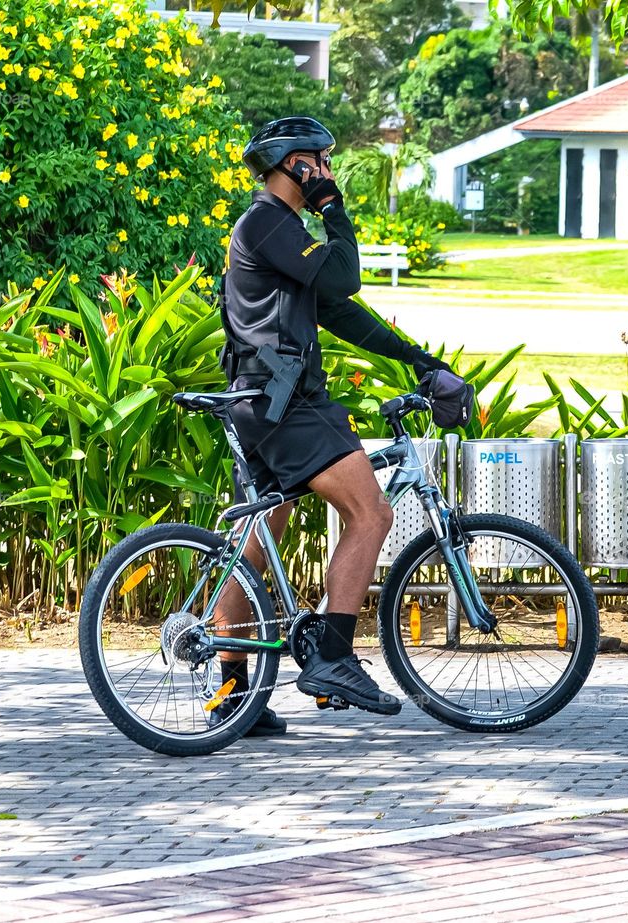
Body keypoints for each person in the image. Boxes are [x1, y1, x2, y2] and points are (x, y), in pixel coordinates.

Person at [212, 117, 452, 737]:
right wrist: (333, 209)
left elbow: (343, 311)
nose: (328, 169)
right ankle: (335, 657)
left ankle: (236, 695)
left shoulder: (280, 234)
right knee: (371, 513)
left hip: (263, 400)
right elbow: (347, 275)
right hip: (287, 400)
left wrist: (423, 363)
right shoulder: (266, 221)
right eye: (320, 160)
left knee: (259, 539)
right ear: (294, 165)